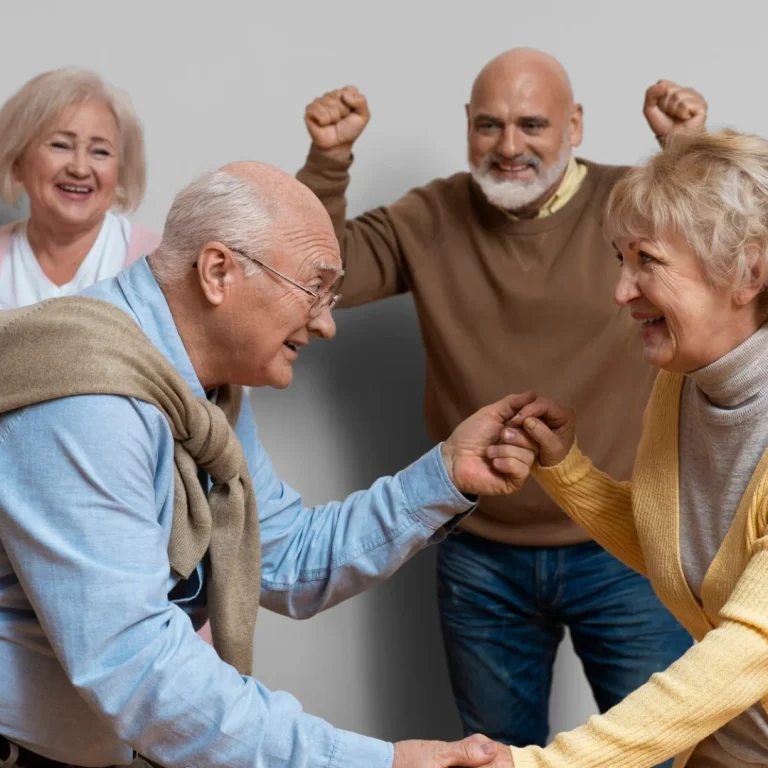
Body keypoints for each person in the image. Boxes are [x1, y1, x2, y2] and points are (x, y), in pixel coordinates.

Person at [0, 160, 533, 768]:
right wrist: (379, 762)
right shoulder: (87, 399)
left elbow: (285, 556)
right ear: (219, 271)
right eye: (316, 289)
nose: (328, 323)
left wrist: (447, 474)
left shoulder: (204, 393)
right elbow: (136, 665)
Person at [297, 47, 704, 756]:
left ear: (574, 125)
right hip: (480, 554)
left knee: (660, 754)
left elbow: (721, 265)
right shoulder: (431, 215)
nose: (509, 146)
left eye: (532, 124)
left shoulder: (628, 208)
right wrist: (329, 163)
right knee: (492, 759)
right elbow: (321, 275)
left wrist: (688, 154)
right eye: (489, 125)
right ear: (467, 126)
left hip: (627, 547)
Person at [496, 128, 768, 767]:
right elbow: (674, 545)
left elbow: (749, 645)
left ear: (749, 271)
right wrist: (566, 469)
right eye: (622, 259)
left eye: (647, 260)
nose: (622, 290)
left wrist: (538, 764)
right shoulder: (679, 385)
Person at [0, 67, 159, 309]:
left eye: (100, 151)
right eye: (61, 145)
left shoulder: (156, 262)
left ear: (120, 170)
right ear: (18, 160)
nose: (80, 169)